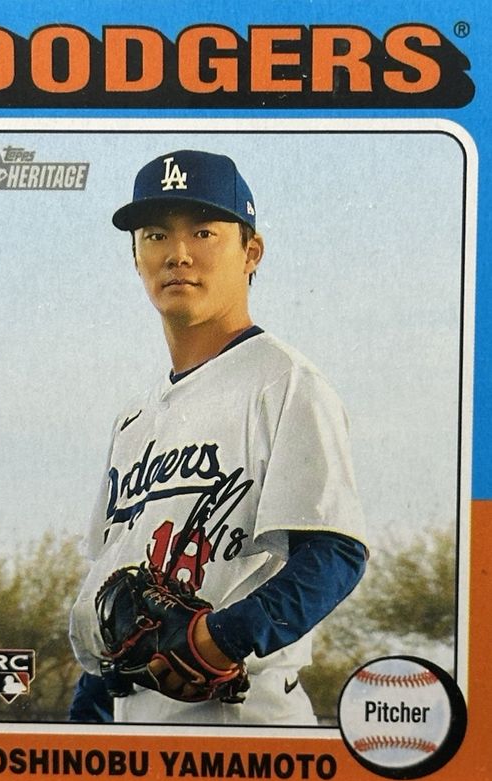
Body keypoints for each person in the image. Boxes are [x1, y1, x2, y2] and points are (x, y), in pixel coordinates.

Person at [69, 149, 367, 725]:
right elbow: (111, 582)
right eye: (156, 235)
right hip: (135, 726)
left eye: (203, 232)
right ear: (136, 257)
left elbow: (334, 552)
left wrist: (223, 638)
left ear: (251, 253)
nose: (177, 254)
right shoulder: (134, 418)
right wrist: (89, 713)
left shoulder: (285, 382)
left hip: (245, 725)